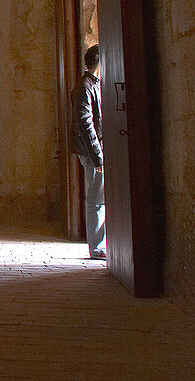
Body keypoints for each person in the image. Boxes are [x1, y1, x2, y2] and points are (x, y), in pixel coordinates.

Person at [71, 44, 106, 260]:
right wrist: (97, 155)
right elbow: (86, 124)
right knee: (96, 199)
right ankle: (98, 247)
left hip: (96, 149)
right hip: (93, 151)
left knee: (100, 198)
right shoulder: (85, 87)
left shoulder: (93, 84)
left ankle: (101, 245)